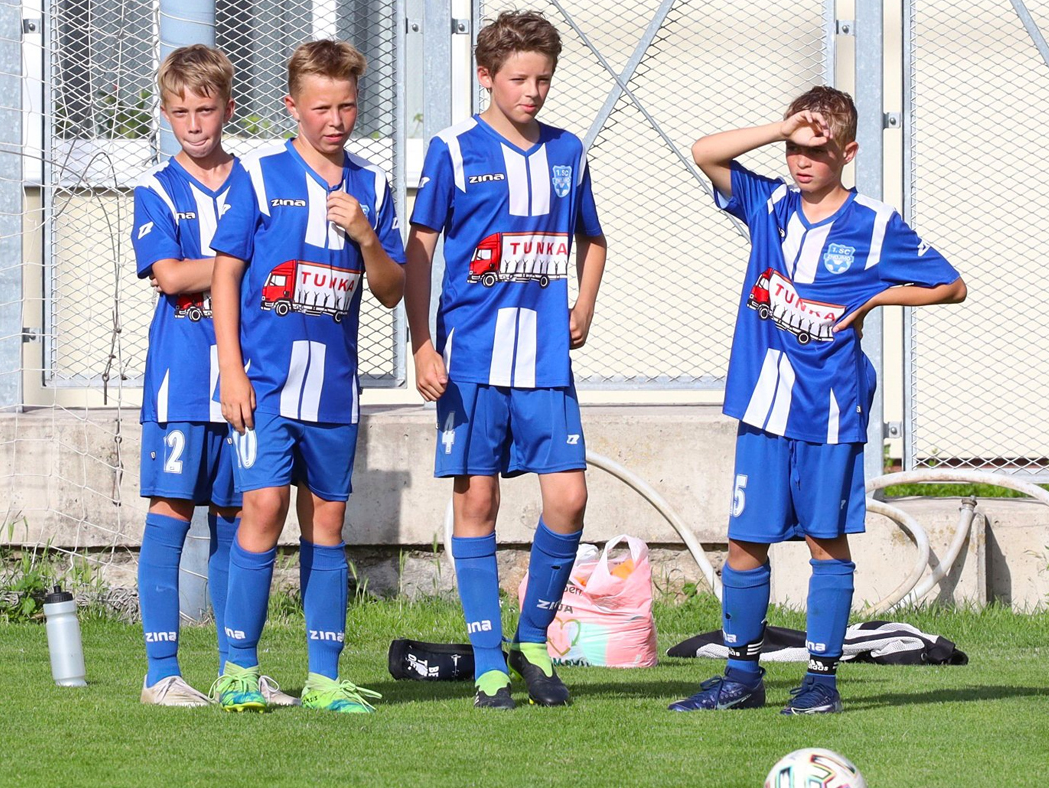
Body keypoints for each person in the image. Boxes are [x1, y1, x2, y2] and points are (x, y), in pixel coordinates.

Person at [669, 85, 966, 715]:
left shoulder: (875, 225)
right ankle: (740, 677)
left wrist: (875, 299)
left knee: (825, 541)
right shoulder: (770, 204)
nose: (803, 162)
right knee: (746, 541)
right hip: (763, 405)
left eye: (819, 150)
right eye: (796, 149)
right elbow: (705, 153)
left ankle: (822, 680)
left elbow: (951, 285)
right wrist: (779, 128)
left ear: (848, 152)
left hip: (830, 409)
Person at [405, 10, 607, 709]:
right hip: (472, 360)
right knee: (479, 500)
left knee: (570, 498)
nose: (533, 91)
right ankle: (489, 659)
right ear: (487, 76)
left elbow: (594, 239)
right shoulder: (454, 150)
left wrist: (583, 305)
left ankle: (531, 639)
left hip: (547, 359)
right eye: (519, 78)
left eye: (544, 78)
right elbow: (421, 248)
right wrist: (422, 343)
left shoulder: (568, 151)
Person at [207, 39, 406, 714]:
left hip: (334, 393)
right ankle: (238, 670)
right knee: (261, 509)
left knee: (327, 524)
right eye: (321, 106)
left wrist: (368, 238)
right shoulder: (261, 178)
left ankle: (324, 677)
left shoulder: (373, 188)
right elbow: (226, 275)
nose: (335, 119)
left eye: (347, 105)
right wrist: (231, 371)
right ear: (293, 106)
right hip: (263, 386)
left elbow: (390, 290)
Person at [130, 44, 295, 708]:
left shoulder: (255, 183)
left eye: (206, 108)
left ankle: (236, 671)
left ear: (228, 108)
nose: (195, 123)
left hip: (245, 380)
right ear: (167, 114)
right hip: (182, 381)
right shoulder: (156, 187)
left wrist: (232, 265)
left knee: (237, 514)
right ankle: (161, 671)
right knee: (170, 511)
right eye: (181, 111)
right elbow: (170, 276)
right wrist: (239, 265)